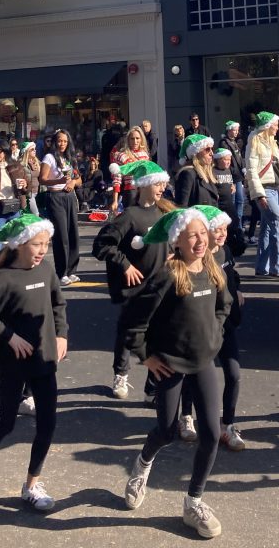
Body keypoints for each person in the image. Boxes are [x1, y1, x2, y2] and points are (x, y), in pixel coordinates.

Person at [121, 208, 231, 538]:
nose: (200, 240)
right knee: (166, 431)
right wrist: (147, 357)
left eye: (203, 233)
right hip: (169, 364)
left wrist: (216, 335)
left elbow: (223, 307)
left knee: (211, 433)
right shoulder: (169, 275)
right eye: (192, 235)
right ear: (177, 241)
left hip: (203, 363)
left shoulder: (213, 268)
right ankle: (142, 464)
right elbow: (134, 322)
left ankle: (193, 502)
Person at [0, 213, 68, 512]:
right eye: (37, 244)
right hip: (12, 364)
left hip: (45, 358)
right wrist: (7, 335)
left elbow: (58, 304)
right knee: (6, 423)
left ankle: (32, 484)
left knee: (48, 424)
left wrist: (61, 334)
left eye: (46, 245)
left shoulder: (46, 270)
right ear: (21, 243)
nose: (42, 251)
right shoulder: (3, 278)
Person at [92, 160, 174, 399]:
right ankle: (121, 374)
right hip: (134, 287)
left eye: (163, 184)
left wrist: (172, 254)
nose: (161, 188)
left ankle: (152, 386)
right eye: (157, 184)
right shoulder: (130, 216)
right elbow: (102, 245)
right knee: (129, 332)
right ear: (144, 185)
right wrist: (125, 265)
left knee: (157, 335)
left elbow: (172, 241)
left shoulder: (163, 212)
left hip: (159, 284)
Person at [178, 206, 246, 452]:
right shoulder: (199, 257)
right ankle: (186, 415)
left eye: (224, 229)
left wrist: (236, 288)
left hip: (225, 324)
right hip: (200, 327)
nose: (222, 234)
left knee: (234, 374)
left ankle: (227, 424)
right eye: (216, 229)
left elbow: (231, 273)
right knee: (191, 373)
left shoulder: (225, 251)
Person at [245, 112, 279, 280]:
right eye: (275, 125)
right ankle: (277, 267)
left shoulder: (271, 143)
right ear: (267, 126)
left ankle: (262, 267)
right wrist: (258, 194)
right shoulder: (254, 141)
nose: (278, 128)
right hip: (264, 190)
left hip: (275, 188)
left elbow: (277, 171)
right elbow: (251, 171)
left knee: (267, 227)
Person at [39, 129, 82, 287]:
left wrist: (72, 182)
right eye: (59, 141)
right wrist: (58, 181)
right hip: (56, 197)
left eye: (65, 141)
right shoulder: (49, 157)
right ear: (55, 142)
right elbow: (42, 179)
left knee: (73, 234)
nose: (62, 144)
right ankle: (62, 272)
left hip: (69, 197)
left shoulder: (69, 158)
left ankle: (72, 270)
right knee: (61, 236)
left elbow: (79, 180)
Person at [109, 126, 150, 213]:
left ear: (141, 139)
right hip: (131, 192)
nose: (135, 141)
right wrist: (115, 200)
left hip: (144, 191)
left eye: (137, 138)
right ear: (128, 140)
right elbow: (117, 179)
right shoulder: (121, 155)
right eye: (132, 139)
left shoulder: (145, 155)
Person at [174, 134, 219, 210]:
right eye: (207, 149)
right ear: (196, 153)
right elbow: (181, 208)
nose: (212, 153)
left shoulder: (209, 174)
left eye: (212, 149)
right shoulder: (188, 174)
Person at [219, 121, 245, 226]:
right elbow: (227, 161)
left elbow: (239, 158)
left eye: (237, 130)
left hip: (238, 176)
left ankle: (238, 224)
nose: (236, 132)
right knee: (233, 202)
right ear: (229, 130)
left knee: (240, 201)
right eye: (234, 130)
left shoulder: (234, 142)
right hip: (231, 176)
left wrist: (244, 169)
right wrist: (231, 176)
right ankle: (233, 225)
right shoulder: (224, 142)